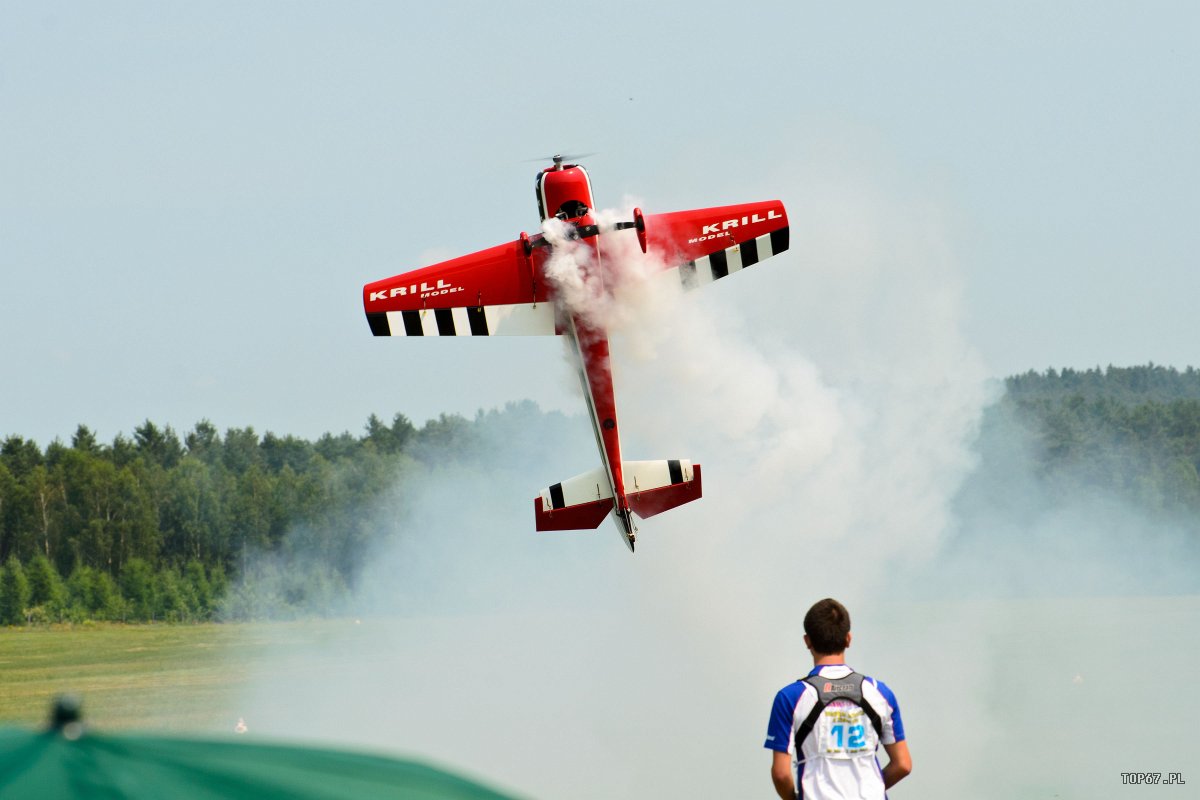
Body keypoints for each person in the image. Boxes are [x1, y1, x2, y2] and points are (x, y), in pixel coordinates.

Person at [764, 598, 911, 799]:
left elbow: (781, 774)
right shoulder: (880, 693)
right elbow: (903, 764)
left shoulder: (790, 697)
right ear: (848, 639)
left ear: (807, 641)